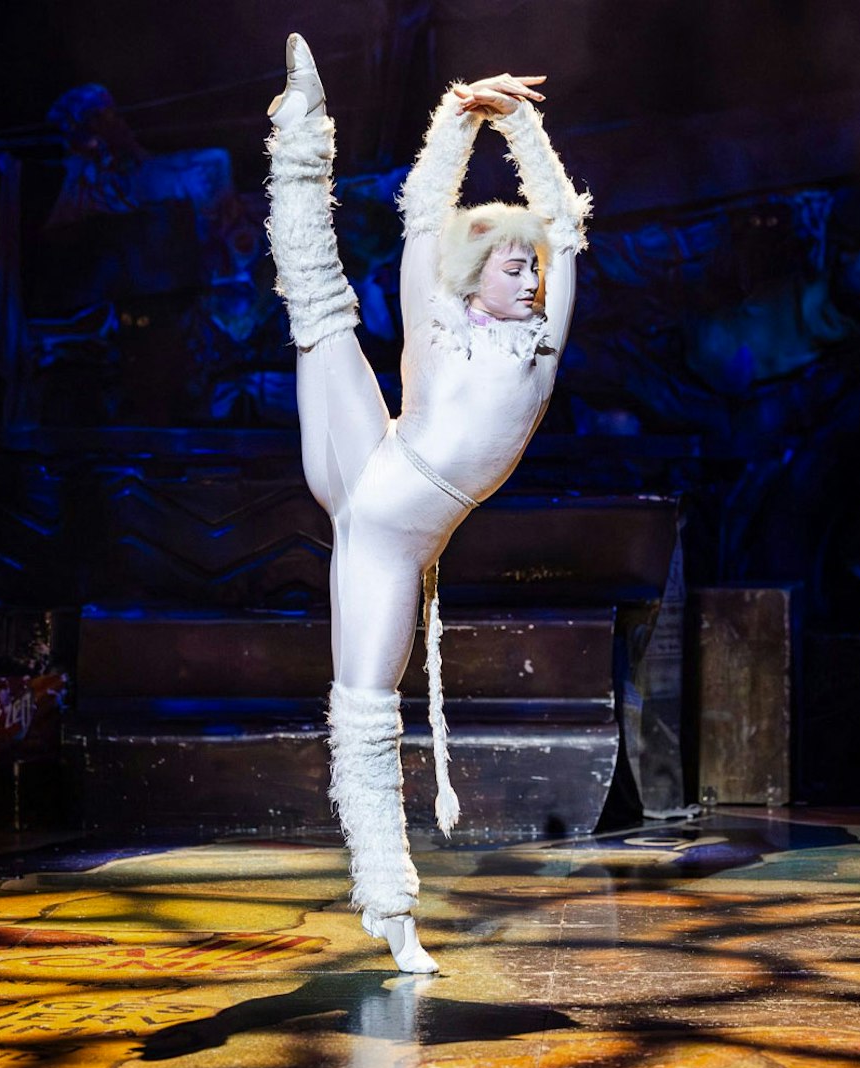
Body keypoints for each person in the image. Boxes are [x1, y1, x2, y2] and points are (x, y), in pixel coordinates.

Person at [264, 33, 589, 972]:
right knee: (320, 306)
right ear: (474, 272)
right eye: (511, 266)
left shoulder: (537, 352)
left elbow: (564, 230)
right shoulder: (438, 317)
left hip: (390, 537)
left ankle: (392, 913)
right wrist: (456, 114)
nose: (528, 277)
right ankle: (300, 135)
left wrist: (523, 129)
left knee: (366, 710)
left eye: (529, 269)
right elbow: (421, 216)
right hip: (376, 457)